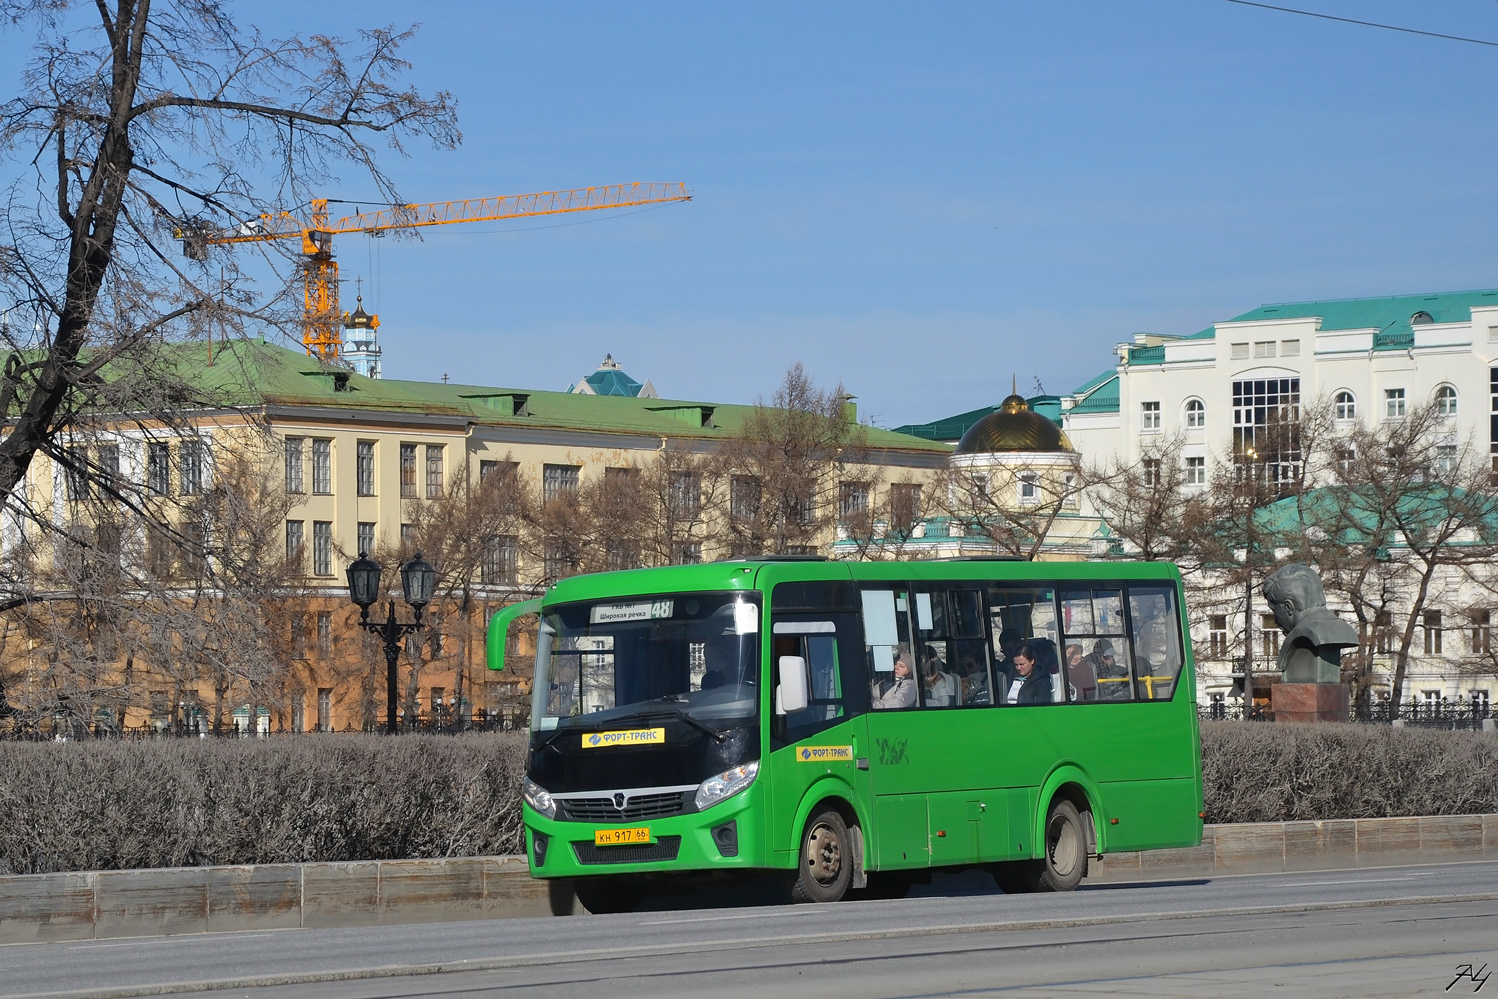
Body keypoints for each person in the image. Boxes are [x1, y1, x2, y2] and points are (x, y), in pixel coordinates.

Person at [872, 644, 917, 709]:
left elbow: (898, 703)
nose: (896, 667)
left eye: (901, 666)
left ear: (908, 671)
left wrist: (872, 706)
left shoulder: (909, 685)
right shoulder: (886, 680)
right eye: (896, 664)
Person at [1007, 641, 1052, 705]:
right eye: (1016, 665)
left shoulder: (1042, 681)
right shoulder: (1008, 677)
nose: (1019, 668)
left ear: (1032, 661)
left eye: (1022, 664)